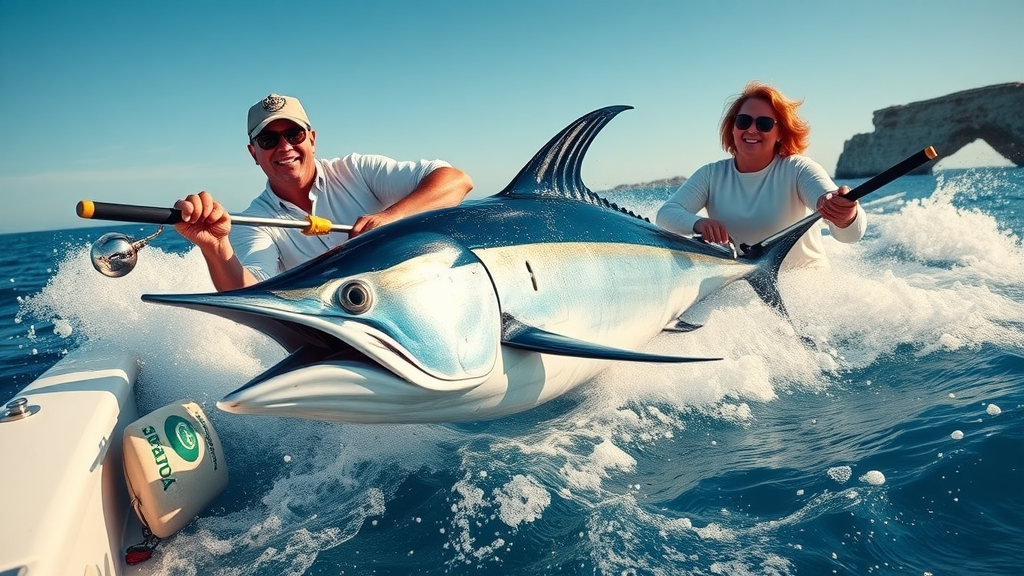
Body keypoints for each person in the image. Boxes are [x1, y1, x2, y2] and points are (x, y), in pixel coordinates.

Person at [173, 93, 473, 291]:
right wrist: (216, 249)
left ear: (312, 139)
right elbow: (251, 293)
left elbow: (456, 181)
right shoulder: (256, 221)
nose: (285, 147)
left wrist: (392, 216)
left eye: (294, 134)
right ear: (254, 153)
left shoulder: (359, 169)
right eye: (268, 140)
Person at [656, 81, 864, 269]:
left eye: (764, 124)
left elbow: (851, 235)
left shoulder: (797, 169)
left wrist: (844, 215)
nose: (752, 130)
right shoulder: (710, 175)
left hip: (805, 293)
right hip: (745, 291)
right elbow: (666, 215)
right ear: (733, 127)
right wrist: (697, 223)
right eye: (744, 121)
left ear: (780, 132)